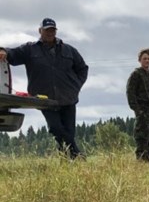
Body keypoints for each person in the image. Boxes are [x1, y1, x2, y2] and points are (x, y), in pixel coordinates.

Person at [0, 18, 89, 158]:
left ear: (56, 31)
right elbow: (14, 54)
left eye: (52, 30)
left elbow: (82, 68)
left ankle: (67, 161)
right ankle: (77, 155)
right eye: (47, 30)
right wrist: (3, 51)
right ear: (40, 31)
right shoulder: (30, 49)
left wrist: (75, 86)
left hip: (68, 99)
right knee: (56, 128)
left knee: (69, 132)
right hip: (45, 100)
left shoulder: (69, 50)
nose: (50, 33)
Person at [126, 47, 149, 162]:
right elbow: (130, 93)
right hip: (143, 111)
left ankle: (148, 159)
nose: (147, 60)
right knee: (142, 138)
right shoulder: (136, 74)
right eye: (144, 58)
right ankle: (141, 163)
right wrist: (138, 111)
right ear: (140, 60)